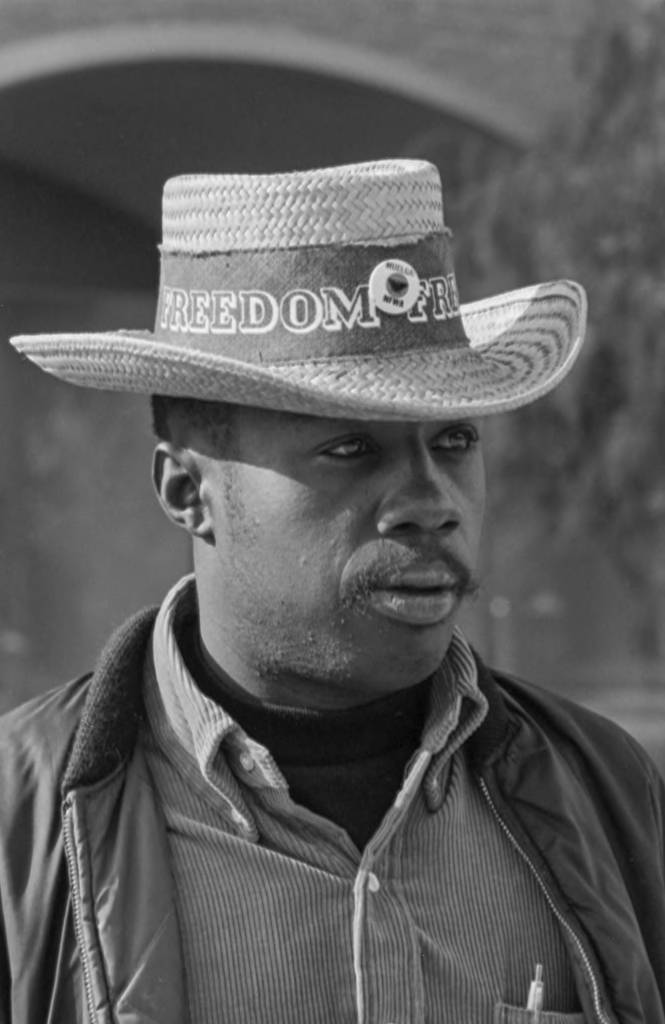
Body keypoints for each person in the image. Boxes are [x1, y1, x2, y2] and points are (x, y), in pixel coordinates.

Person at [2, 159, 663, 1024]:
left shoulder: (602, 790)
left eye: (454, 440)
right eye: (350, 449)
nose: (430, 502)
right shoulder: (29, 822)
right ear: (186, 492)